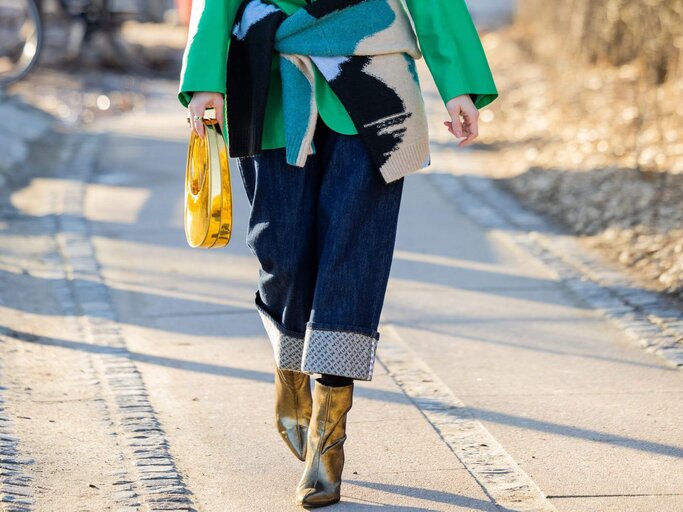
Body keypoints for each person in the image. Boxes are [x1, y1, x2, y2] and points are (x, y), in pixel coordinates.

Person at [178, 0, 497, 507]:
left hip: (375, 77)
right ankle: (290, 370)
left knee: (355, 257)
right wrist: (204, 77)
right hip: (273, 78)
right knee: (278, 250)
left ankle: (329, 439)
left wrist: (458, 83)